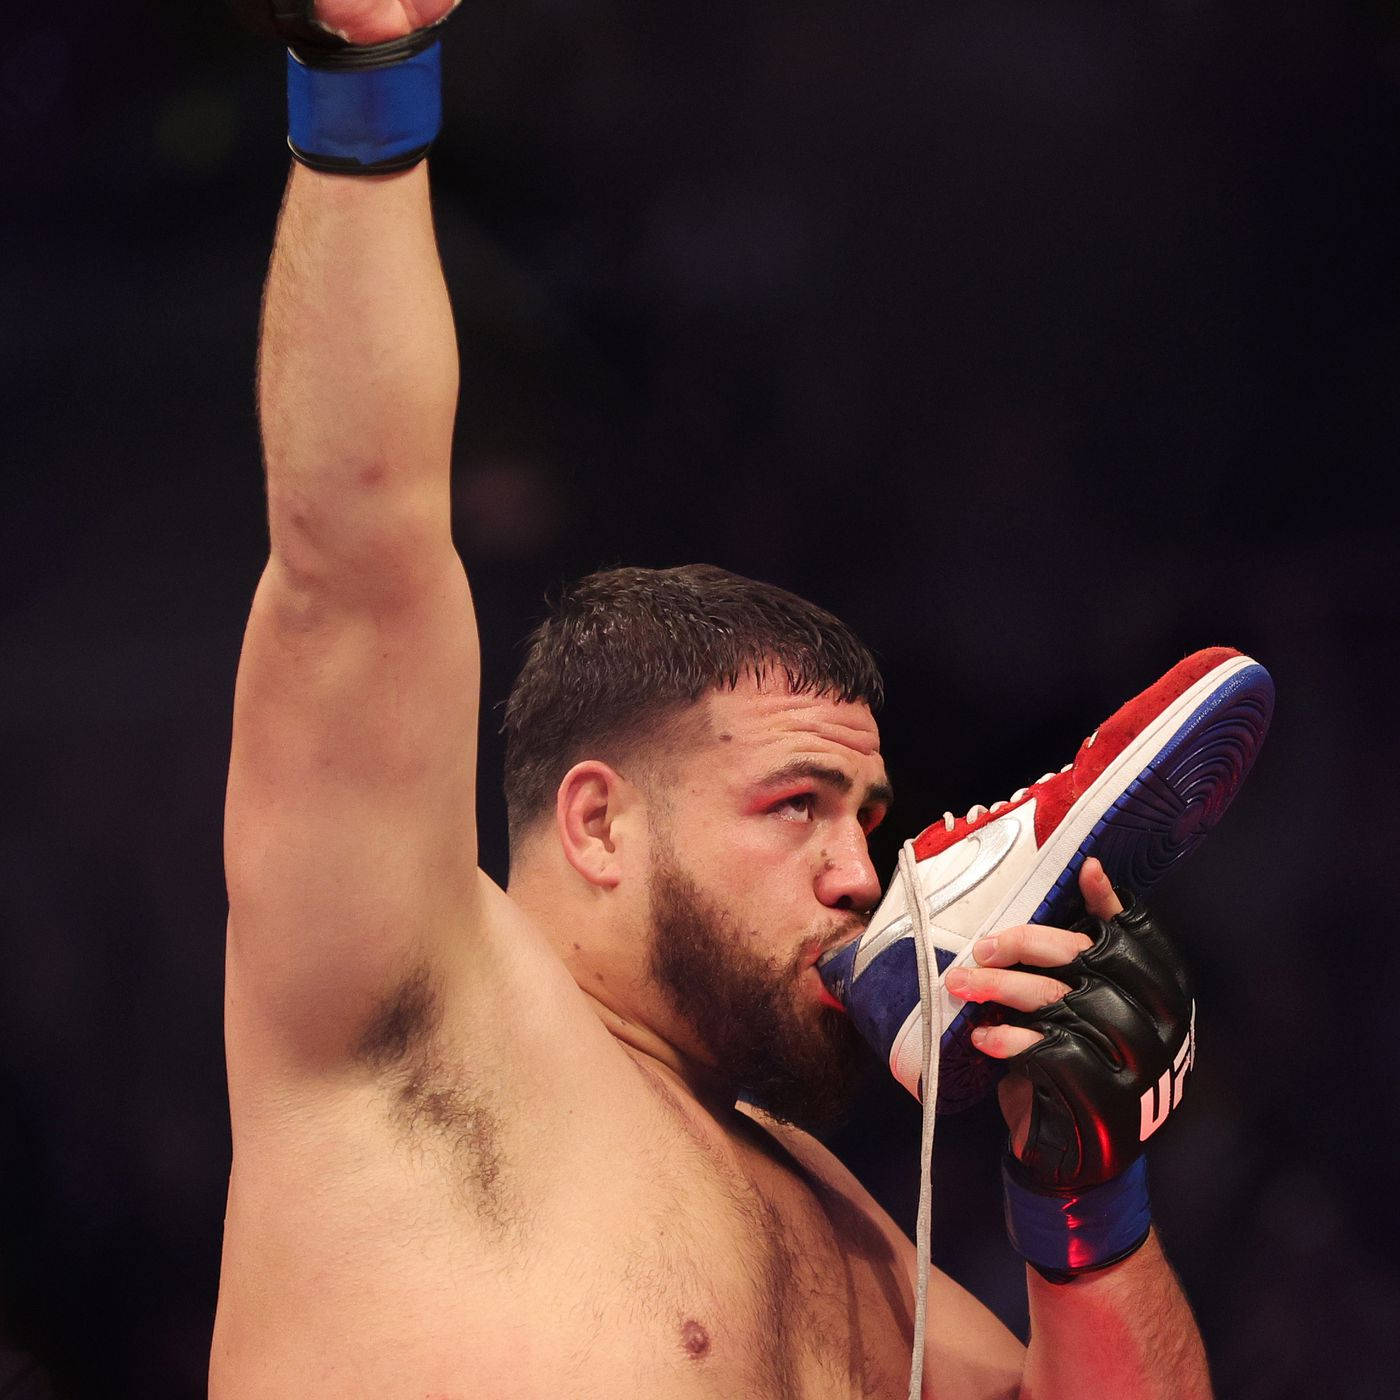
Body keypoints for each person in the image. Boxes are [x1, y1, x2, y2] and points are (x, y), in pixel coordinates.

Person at [213, 3, 1215, 1395]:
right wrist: (366, 78)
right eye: (793, 806)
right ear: (598, 824)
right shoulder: (423, 1007)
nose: (858, 876)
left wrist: (1088, 1215)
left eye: (866, 820)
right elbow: (353, 556)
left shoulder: (846, 1238)